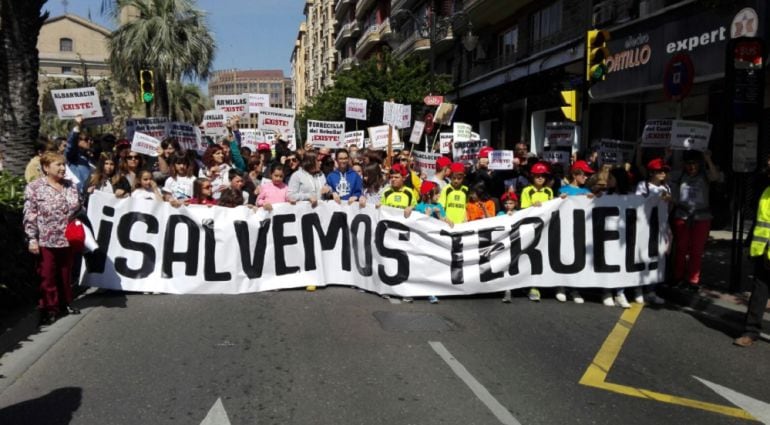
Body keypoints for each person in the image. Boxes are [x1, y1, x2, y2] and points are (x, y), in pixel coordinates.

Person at [23, 152, 82, 325]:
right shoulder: (35, 187)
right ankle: (49, 308)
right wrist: (32, 238)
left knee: (65, 273)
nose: (63, 168)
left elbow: (77, 206)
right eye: (58, 165)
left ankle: (65, 303)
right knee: (47, 275)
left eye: (63, 165)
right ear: (46, 168)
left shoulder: (70, 186)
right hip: (46, 239)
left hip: (67, 237)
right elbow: (30, 214)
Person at [670, 150, 721, 291]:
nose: (691, 166)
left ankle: (693, 280)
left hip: (701, 217)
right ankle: (678, 277)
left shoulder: (705, 175)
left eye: (694, 163)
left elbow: (715, 176)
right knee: (681, 248)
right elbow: (662, 174)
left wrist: (708, 160)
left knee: (696, 250)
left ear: (699, 164)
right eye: (688, 164)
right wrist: (667, 156)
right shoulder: (680, 175)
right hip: (683, 216)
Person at [735, 164, 770, 347]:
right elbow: (760, 222)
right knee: (758, 294)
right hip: (763, 252)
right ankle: (750, 332)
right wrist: (749, 244)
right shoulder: (765, 192)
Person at [554, 160, 596, 305]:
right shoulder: (563, 190)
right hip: (565, 228)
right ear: (575, 174)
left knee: (578, 258)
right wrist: (559, 199)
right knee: (565, 256)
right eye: (584, 174)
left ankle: (575, 289)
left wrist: (594, 199)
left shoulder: (587, 192)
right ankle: (561, 287)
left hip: (581, 231)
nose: (586, 177)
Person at [634, 158, 672, 305]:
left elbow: (667, 211)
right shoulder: (643, 186)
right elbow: (637, 203)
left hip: (660, 229)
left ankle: (651, 291)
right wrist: (656, 197)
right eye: (660, 171)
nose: (663, 173)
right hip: (644, 228)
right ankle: (638, 289)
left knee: (657, 259)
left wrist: (669, 231)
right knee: (642, 258)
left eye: (665, 171)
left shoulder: (667, 188)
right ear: (652, 172)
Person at [519, 162, 554, 302]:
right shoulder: (527, 191)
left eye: (543, 176)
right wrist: (532, 206)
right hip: (530, 228)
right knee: (530, 256)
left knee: (542, 255)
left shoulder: (549, 192)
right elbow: (523, 209)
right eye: (537, 176)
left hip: (544, 228)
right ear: (532, 177)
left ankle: (537, 284)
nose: (540, 178)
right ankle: (530, 285)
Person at [414, 180, 451, 304]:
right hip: (421, 243)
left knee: (433, 267)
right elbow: (413, 222)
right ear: (429, 195)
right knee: (422, 266)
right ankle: (420, 289)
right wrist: (426, 216)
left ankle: (433, 290)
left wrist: (442, 217)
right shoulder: (419, 207)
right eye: (437, 194)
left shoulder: (439, 207)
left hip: (435, 243)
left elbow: (447, 222)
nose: (439, 196)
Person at [65, 115, 94, 194]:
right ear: (78, 140)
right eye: (87, 139)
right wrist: (77, 126)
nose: (90, 142)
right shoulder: (72, 156)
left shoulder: (90, 158)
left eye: (91, 139)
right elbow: (71, 145)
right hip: (77, 196)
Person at [498, 191, 518, 303]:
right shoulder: (500, 213)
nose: (508, 205)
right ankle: (506, 289)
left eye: (510, 203)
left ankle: (509, 288)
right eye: (506, 203)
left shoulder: (519, 213)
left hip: (515, 243)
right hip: (503, 244)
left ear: (515, 203)